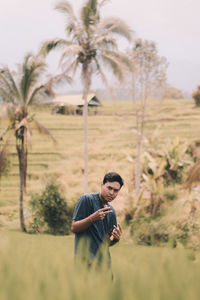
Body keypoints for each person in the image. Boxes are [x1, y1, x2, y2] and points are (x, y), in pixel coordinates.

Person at [71, 172, 124, 268]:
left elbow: (106, 243)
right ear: (102, 185)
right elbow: (74, 228)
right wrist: (92, 218)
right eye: (109, 188)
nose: (111, 193)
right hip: (84, 262)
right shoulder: (87, 200)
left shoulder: (111, 211)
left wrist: (115, 239)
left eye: (116, 190)